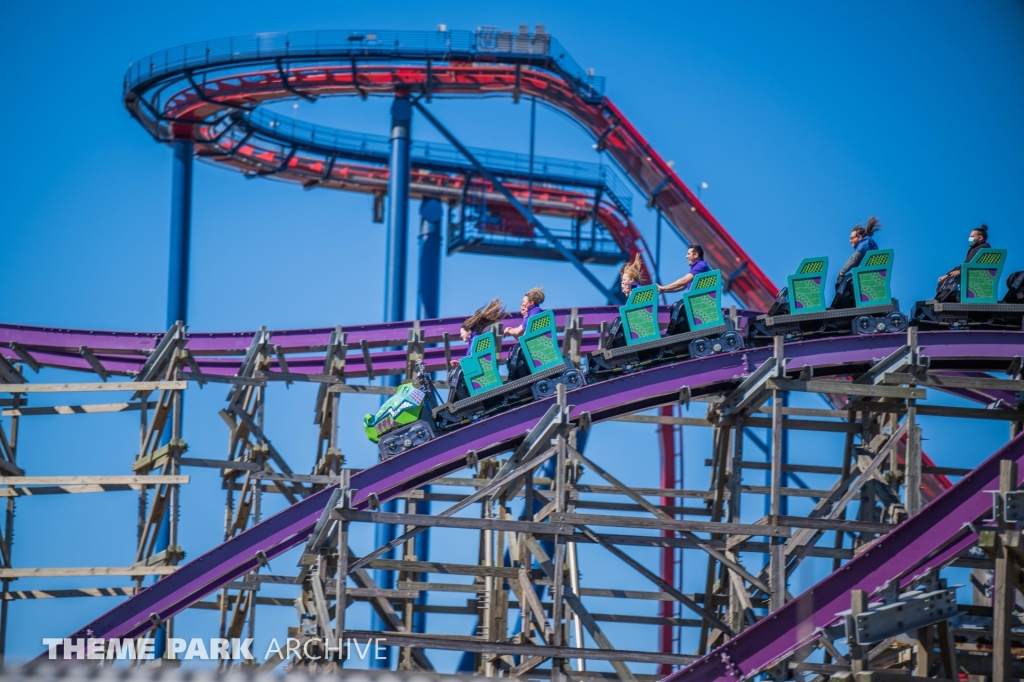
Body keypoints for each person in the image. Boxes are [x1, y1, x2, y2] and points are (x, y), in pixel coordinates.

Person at [450, 299, 507, 369]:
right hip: (483, 372)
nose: (460, 335)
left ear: (468, 331)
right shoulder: (476, 340)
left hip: (479, 376)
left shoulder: (475, 341)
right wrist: (460, 363)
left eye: (462, 333)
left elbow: (474, 361)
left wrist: (461, 363)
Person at [836, 217, 881, 285]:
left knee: (846, 281)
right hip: (871, 277)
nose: (850, 241)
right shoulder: (867, 243)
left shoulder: (865, 242)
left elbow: (854, 258)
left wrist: (841, 273)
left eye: (852, 238)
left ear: (859, 237)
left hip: (866, 278)